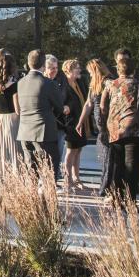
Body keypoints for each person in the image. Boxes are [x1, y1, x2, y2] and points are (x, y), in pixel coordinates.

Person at [100, 51, 139, 202]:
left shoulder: (110, 85)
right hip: (133, 129)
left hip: (114, 129)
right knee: (131, 167)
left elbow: (102, 106)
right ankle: (129, 200)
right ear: (133, 70)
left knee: (118, 165)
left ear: (118, 70)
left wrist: (108, 122)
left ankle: (117, 198)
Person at [17, 49, 63, 182]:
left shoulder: (21, 82)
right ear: (43, 65)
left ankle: (32, 200)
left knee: (31, 171)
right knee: (49, 169)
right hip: (44, 131)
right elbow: (59, 107)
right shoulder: (48, 83)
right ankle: (47, 199)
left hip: (25, 131)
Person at [77, 58, 115, 197]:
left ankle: (106, 187)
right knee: (106, 155)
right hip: (101, 123)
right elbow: (88, 104)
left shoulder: (108, 82)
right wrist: (81, 122)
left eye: (91, 72)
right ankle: (106, 186)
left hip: (108, 122)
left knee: (108, 155)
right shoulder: (94, 84)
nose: (90, 75)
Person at [0, 49, 20, 187]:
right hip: (13, 120)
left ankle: (1, 183)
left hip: (0, 120)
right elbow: (17, 108)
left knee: (1, 153)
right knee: (15, 153)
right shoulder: (15, 85)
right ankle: (16, 183)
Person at [60, 58, 88, 192]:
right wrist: (68, 107)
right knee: (71, 151)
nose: (80, 70)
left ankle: (77, 179)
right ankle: (68, 180)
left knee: (78, 150)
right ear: (68, 70)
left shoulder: (79, 82)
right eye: (77, 67)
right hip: (70, 124)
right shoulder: (63, 85)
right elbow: (61, 104)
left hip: (81, 122)